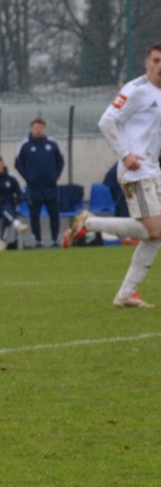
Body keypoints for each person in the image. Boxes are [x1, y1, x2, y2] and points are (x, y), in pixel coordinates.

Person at [72, 44, 161, 307]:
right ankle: (89, 223)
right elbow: (106, 121)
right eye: (156, 60)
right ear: (146, 63)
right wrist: (125, 155)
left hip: (153, 170)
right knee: (156, 231)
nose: (160, 66)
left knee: (154, 236)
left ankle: (125, 295)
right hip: (137, 172)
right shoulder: (136, 90)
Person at [14, 118, 64, 248]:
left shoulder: (52, 144)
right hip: (34, 187)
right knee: (34, 215)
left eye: (40, 128)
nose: (38, 131)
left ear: (44, 129)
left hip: (50, 187)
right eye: (35, 128)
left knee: (54, 214)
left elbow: (60, 161)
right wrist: (28, 177)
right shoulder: (25, 145)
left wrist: (55, 176)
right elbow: (18, 164)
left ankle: (54, 240)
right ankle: (38, 241)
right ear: (31, 129)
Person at [0, 155, 28, 251]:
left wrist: (18, 199)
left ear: (3, 164)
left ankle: (2, 243)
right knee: (5, 207)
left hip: (9, 208)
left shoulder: (11, 177)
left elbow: (21, 194)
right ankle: (16, 224)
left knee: (6, 213)